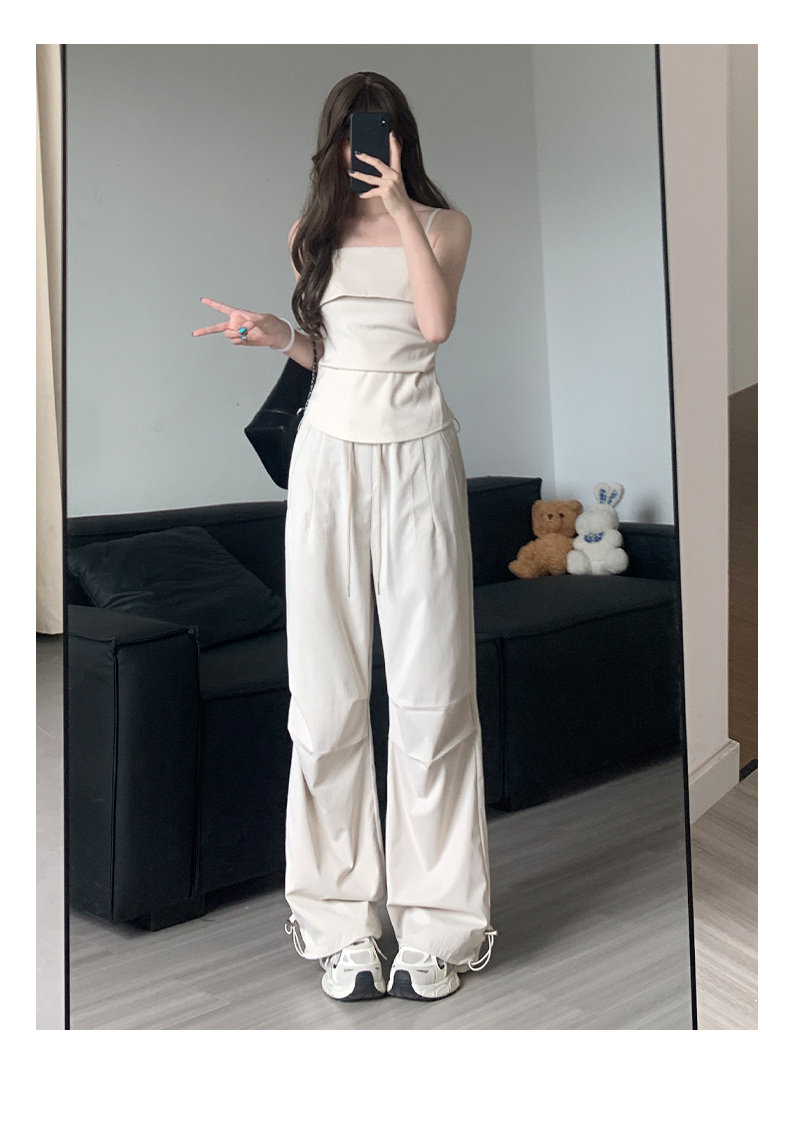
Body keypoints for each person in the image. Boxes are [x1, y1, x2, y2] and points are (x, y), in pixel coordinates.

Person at [193, 71, 497, 1003]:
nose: (366, 145)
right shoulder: (309, 235)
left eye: (383, 129)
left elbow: (432, 328)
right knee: (324, 698)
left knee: (433, 694)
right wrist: (276, 335)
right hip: (328, 456)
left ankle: (438, 929)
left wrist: (400, 208)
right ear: (332, 140)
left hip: (419, 457)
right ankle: (341, 928)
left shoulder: (444, 225)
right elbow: (338, 354)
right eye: (354, 132)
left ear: (401, 137)